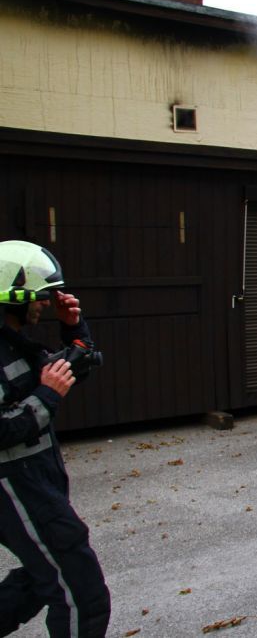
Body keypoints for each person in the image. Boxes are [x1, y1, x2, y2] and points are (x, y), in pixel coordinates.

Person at [0, 240, 110, 637]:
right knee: (82, 596)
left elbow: (76, 363)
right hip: (15, 485)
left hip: (37, 481)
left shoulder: (15, 344)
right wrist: (46, 396)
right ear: (13, 297)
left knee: (41, 576)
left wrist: (73, 327)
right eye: (40, 296)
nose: (45, 303)